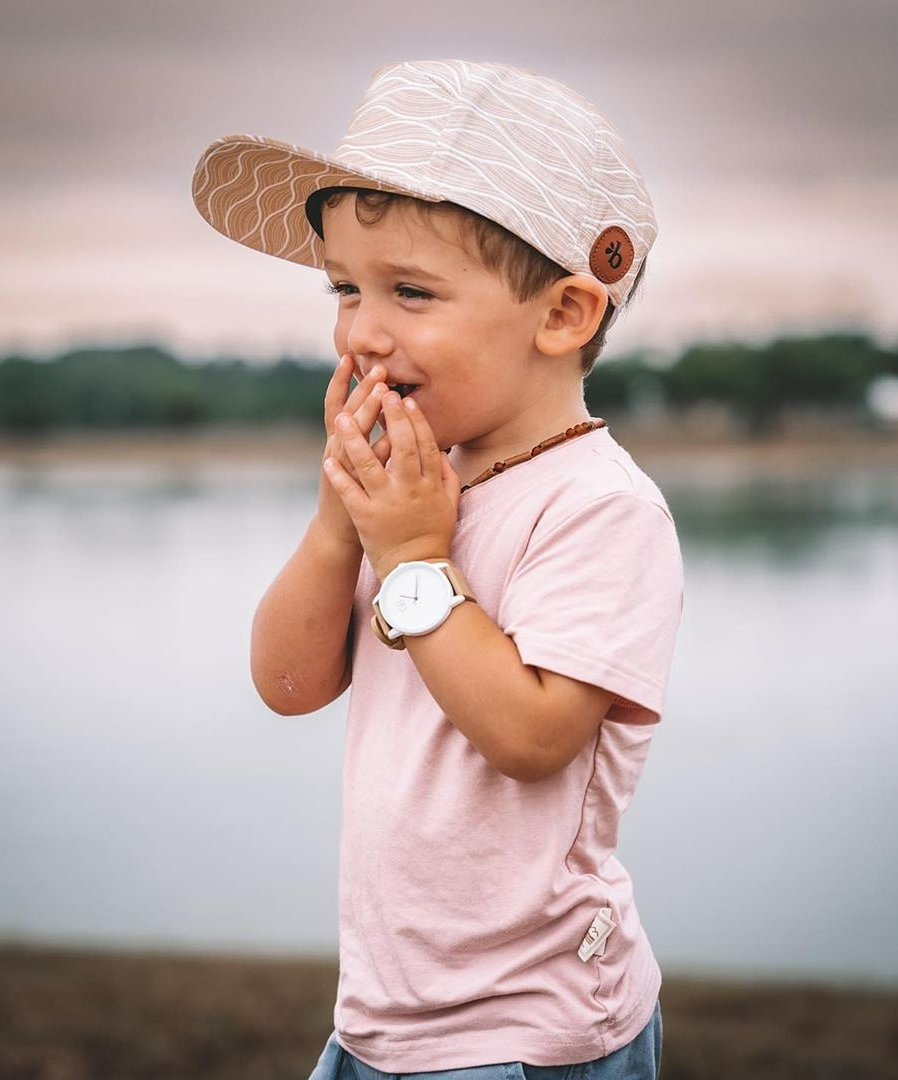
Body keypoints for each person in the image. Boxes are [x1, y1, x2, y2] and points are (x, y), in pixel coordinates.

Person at [192, 60, 684, 1079]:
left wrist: (413, 556)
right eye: (346, 288)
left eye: (410, 292)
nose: (362, 332)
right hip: (382, 1014)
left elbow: (533, 735)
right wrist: (343, 525)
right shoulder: (420, 486)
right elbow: (289, 687)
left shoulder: (599, 506)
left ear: (561, 317)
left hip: (528, 1031)